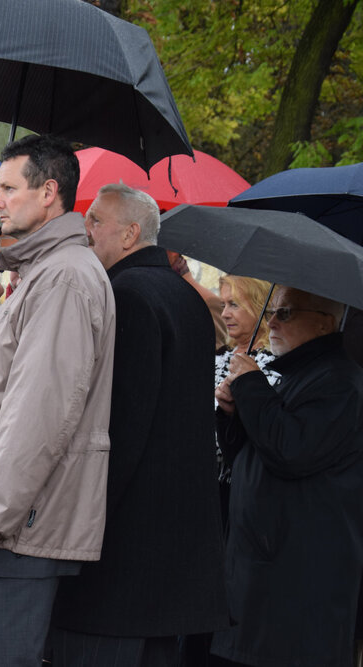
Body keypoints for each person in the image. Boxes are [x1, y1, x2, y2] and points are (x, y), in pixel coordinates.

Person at [0, 134, 116, 666]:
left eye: (6, 187)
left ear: (49, 192)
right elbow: (1, 389)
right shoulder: (42, 273)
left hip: (19, 527)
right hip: (11, 523)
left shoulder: (64, 277)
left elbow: (40, 413)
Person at [50, 184, 229, 665]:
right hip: (176, 543)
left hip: (125, 551)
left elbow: (121, 424)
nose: (86, 230)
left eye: (96, 221)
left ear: (131, 234)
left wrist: (81, 510)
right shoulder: (183, 295)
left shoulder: (125, 295)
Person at [213, 286, 363, 667]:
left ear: (325, 325)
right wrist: (233, 415)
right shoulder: (301, 373)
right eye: (273, 312)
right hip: (263, 577)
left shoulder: (340, 383)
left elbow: (290, 452)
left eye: (287, 313)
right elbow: (251, 460)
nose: (272, 322)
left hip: (293, 591)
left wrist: (250, 385)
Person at [214, 276, 279, 504]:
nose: (224, 314)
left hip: (238, 493)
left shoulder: (271, 364)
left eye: (234, 304)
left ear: (259, 305)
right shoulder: (219, 356)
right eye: (223, 305)